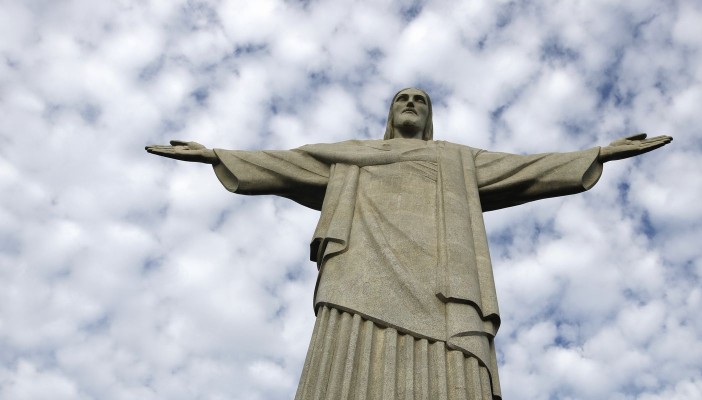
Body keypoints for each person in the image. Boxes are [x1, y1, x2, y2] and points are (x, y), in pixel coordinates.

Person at [146, 88, 671, 399]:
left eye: (420, 100)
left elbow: (525, 168)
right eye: (403, 98)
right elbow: (288, 163)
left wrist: (598, 152)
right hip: (359, 274)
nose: (411, 104)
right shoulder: (349, 155)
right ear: (391, 112)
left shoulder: (456, 160)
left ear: (430, 116)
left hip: (444, 285)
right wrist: (216, 153)